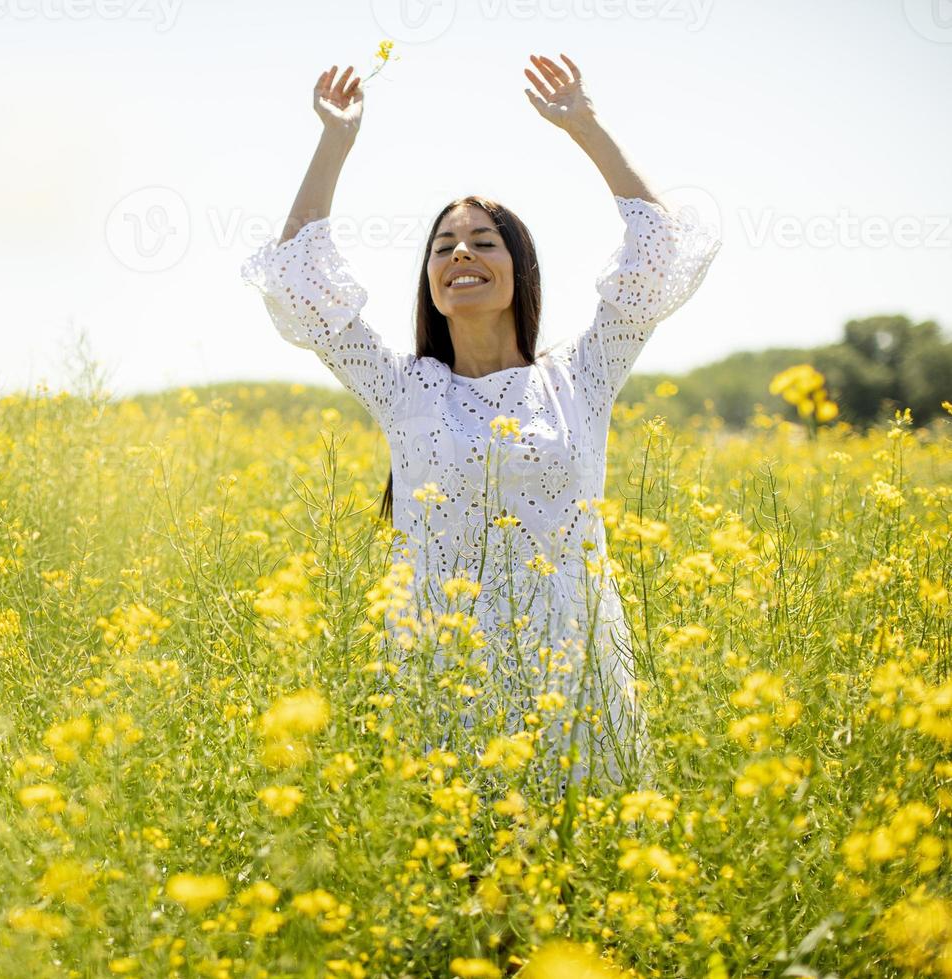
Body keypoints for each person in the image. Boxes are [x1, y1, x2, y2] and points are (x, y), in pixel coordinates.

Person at [239, 55, 722, 801]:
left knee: (583, 881)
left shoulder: (581, 378)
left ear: (518, 270)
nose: (461, 252)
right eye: (443, 246)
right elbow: (300, 285)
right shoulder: (405, 389)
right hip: (445, 672)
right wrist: (335, 140)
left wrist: (585, 126)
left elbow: (657, 259)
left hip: (575, 669)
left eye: (483, 241)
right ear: (432, 283)